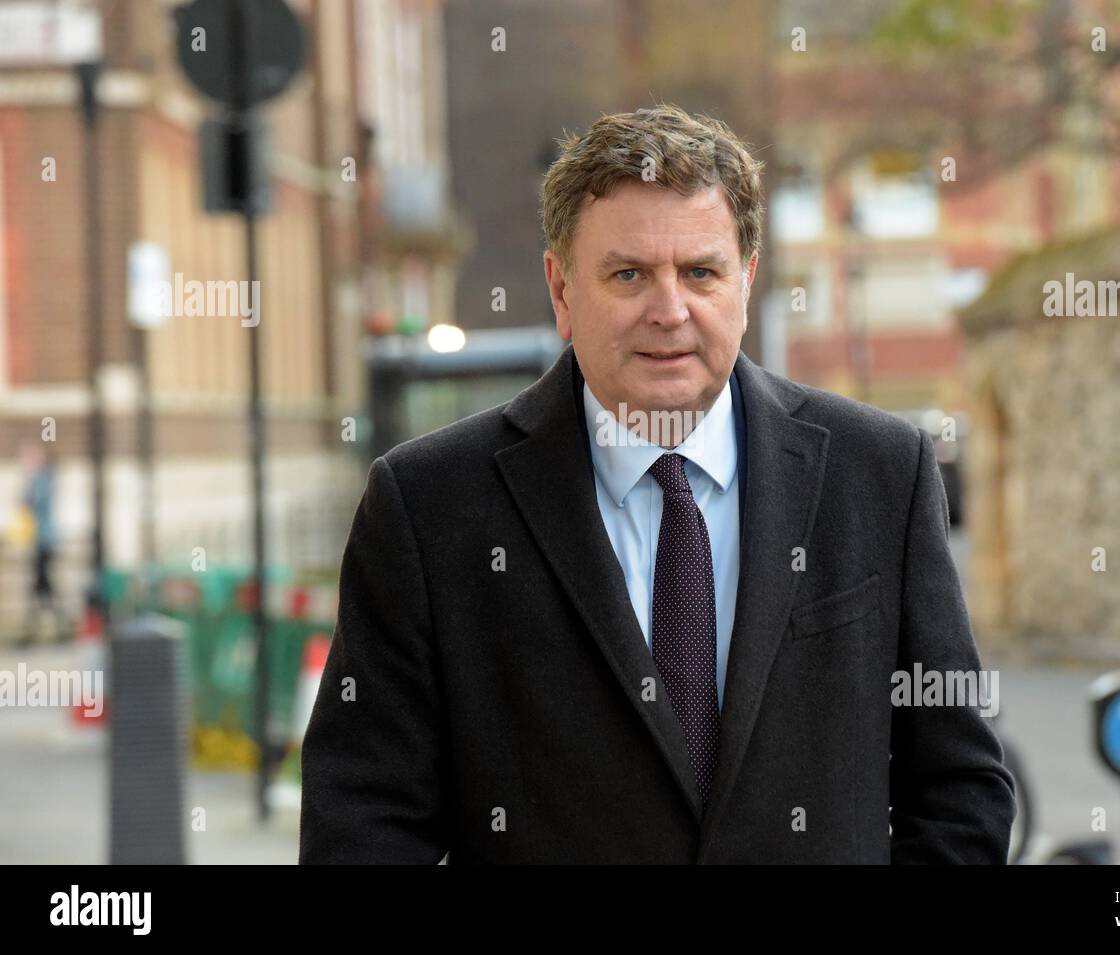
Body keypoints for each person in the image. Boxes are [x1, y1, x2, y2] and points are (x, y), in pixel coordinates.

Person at [300, 104, 1015, 864]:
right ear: (562, 291)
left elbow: (959, 789)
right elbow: (363, 824)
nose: (669, 311)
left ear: (746, 279)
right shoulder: (429, 505)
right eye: (629, 274)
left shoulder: (879, 473)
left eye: (700, 272)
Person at [16, 441, 65, 647]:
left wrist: (29, 477)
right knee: (42, 586)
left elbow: (29, 501)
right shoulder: (41, 479)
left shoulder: (43, 479)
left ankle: (37, 629)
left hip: (44, 540)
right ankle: (50, 627)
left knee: (42, 586)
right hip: (40, 540)